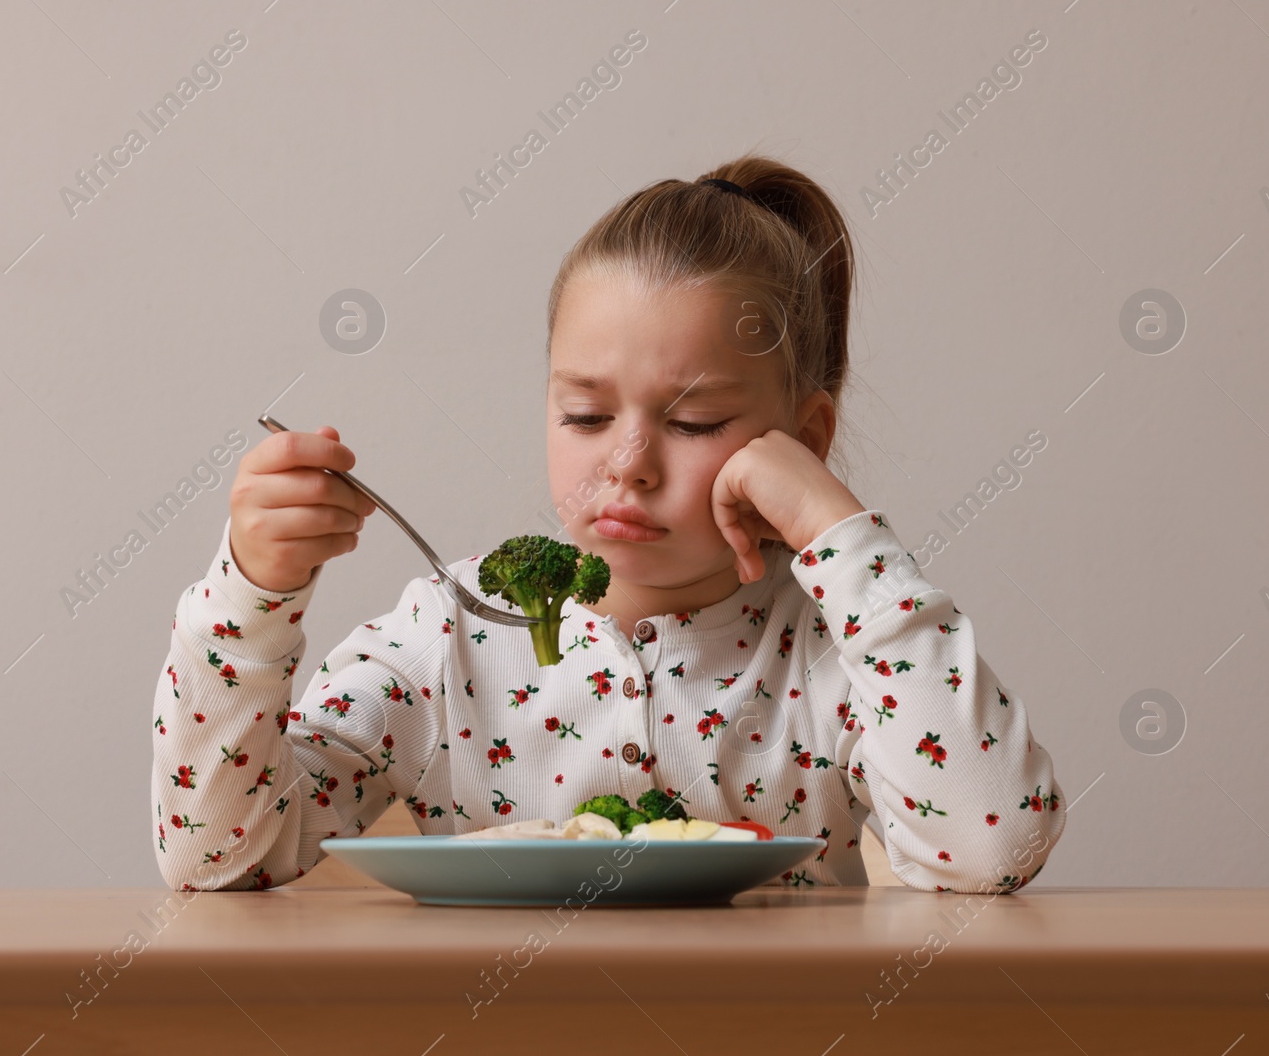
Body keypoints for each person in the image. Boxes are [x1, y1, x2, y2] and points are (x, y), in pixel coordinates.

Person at [150, 153, 1066, 894]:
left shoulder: (829, 649)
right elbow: (219, 857)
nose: (626, 462)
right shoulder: (446, 638)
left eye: (695, 422)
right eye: (585, 416)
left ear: (803, 438)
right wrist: (249, 596)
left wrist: (839, 526)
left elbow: (998, 847)